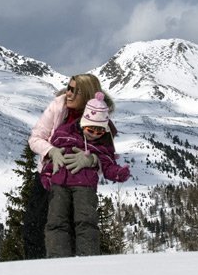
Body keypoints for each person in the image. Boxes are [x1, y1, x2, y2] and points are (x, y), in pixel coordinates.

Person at [25, 74, 115, 259]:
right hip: (51, 176)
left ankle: (78, 272)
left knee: (79, 226)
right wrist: (52, 151)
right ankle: (37, 271)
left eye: (76, 91)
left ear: (88, 94)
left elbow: (108, 154)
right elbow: (35, 138)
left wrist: (92, 160)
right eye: (69, 88)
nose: (69, 93)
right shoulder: (57, 107)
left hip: (80, 182)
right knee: (35, 225)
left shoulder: (98, 117)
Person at [40, 91, 130, 257]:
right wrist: (46, 176)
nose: (94, 134)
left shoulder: (102, 145)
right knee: (56, 221)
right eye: (91, 129)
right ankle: (57, 258)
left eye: (99, 131)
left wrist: (119, 173)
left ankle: (88, 258)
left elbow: (108, 165)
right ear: (83, 123)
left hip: (85, 187)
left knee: (86, 222)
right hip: (60, 183)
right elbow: (53, 156)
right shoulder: (63, 134)